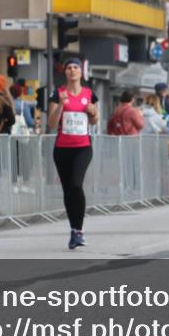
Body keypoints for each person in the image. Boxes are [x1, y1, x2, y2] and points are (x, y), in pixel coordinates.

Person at [47, 58, 98, 250]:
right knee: (68, 189)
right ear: (65, 72)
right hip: (62, 148)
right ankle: (74, 230)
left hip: (83, 147)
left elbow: (94, 120)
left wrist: (93, 111)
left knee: (76, 184)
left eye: (75, 67)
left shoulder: (89, 93)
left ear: (81, 72)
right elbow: (52, 124)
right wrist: (61, 105)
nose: (72, 70)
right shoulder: (57, 94)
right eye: (69, 68)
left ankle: (79, 230)